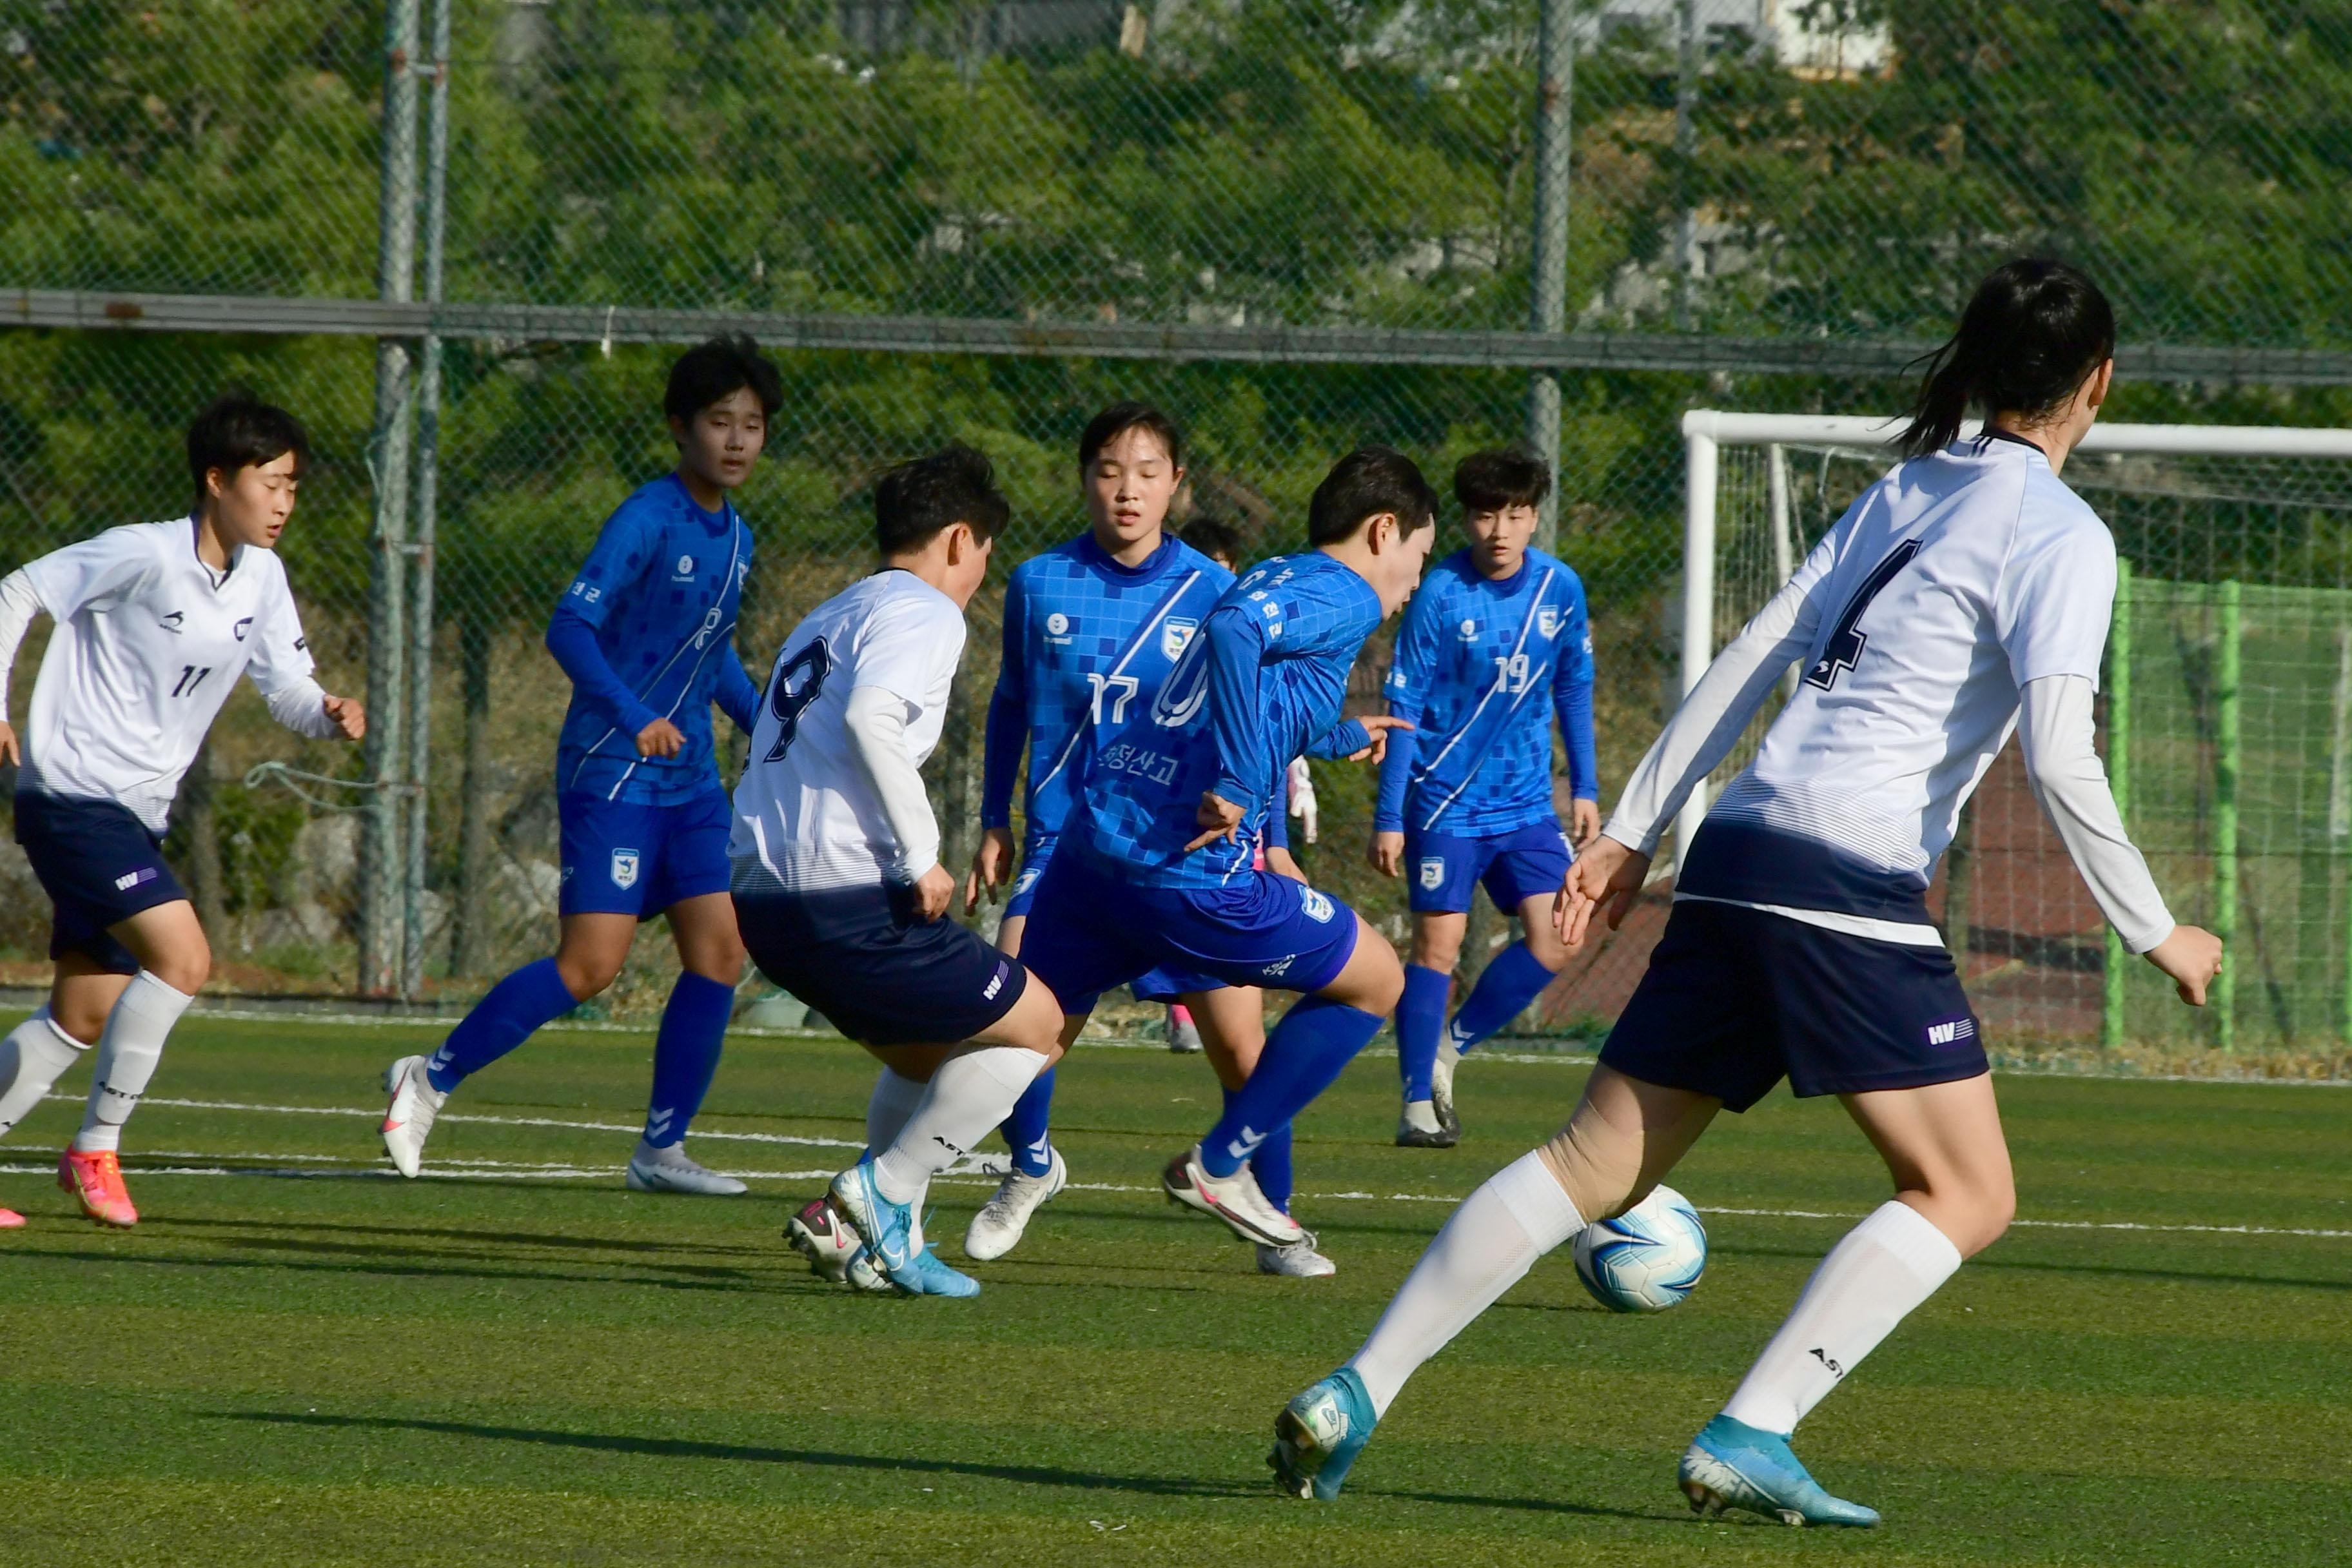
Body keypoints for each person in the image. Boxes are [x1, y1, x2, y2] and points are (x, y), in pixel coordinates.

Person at [1269, 259, 2224, 1525]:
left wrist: (1635, 836)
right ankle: (1753, 1425)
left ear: (1986, 370)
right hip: (1848, 878)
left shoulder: (1902, 488)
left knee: (1587, 1158)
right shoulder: (2064, 535)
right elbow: (2059, 748)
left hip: (1740, 851)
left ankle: (1358, 1385)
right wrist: (2156, 927)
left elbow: (1756, 651)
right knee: (1969, 1190)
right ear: (2099, 383)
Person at [380, 335, 779, 1194]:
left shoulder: (739, 537)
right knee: (590, 966)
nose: (738, 439)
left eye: (753, 424)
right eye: (720, 422)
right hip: (613, 773)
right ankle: (428, 1078)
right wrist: (633, 718)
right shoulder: (647, 517)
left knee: (720, 955)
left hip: (694, 785)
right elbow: (571, 626)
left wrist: (775, 725)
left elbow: (714, 661)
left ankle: (660, 1151)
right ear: (681, 427)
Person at [1014, 447, 1435, 1253]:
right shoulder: (1346, 596)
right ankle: (1221, 1162)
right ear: (1384, 531)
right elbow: (1238, 637)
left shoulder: (1280, 570)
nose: (1415, 580)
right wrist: (1244, 780)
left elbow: (1250, 685)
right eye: (1417, 556)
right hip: (1192, 870)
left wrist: (1345, 730)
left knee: (1026, 1029)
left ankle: (883, 1185)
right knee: (1378, 977)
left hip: (1096, 847)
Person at [0, 393, 366, 1228]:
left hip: (137, 815)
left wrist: (327, 713)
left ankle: (82, 1143)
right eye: (270, 482)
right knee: (186, 958)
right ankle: (97, 1147)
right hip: (71, 797)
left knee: (83, 1012)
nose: (284, 502)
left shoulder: (263, 578)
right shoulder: (143, 555)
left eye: (294, 487)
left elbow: (285, 686)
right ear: (215, 479)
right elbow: (16, 590)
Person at [745, 446, 1068, 1300]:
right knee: (1038, 1026)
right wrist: (921, 855)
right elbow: (871, 718)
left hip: (764, 901)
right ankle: (879, 1194)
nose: (980, 573)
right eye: (986, 552)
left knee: (932, 1056)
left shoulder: (832, 612)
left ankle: (880, 1244)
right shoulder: (926, 612)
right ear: (961, 539)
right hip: (837, 894)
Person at [957, 404, 1243, 1264]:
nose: (1128, 489)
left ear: (1176, 485)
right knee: (1020, 1025)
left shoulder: (1214, 591)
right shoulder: (1041, 582)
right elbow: (1011, 700)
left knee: (1238, 1046)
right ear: (1085, 478)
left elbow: (1243, 720)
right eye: (1111, 470)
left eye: (1149, 472)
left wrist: (1239, 812)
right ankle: (1031, 1165)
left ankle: (1274, 1206)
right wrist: (992, 817)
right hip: (1064, 845)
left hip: (1171, 854)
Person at [1373, 447, 1598, 1147]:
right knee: (1438, 945)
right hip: (1443, 802)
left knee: (1561, 936)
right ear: (1464, 519)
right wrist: (1389, 814)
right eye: (1485, 514)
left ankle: (1450, 1045)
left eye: (1517, 513)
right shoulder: (1440, 593)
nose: (1500, 529)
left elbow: (1572, 687)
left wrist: (1585, 785)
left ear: (1535, 515)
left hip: (1528, 804)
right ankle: (1416, 1101)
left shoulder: (1560, 588)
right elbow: (1403, 704)